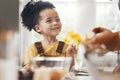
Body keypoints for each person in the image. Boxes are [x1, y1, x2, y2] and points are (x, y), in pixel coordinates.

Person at [21, 1, 77, 72]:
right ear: (38, 28)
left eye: (57, 19)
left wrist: (70, 55)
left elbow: (70, 69)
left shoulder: (66, 47)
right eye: (49, 21)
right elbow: (28, 68)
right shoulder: (33, 48)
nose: (55, 23)